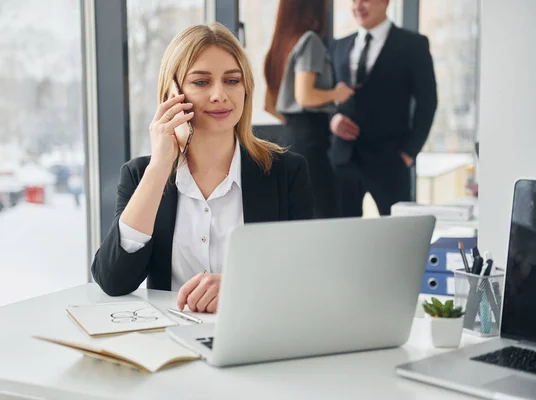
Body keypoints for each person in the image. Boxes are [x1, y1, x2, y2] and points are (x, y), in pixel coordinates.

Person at [91, 23, 315, 313]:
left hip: (257, 335)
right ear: (172, 93)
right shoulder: (140, 176)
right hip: (171, 342)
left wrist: (239, 284)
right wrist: (160, 165)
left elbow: (306, 273)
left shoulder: (286, 172)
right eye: (201, 82)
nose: (219, 94)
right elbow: (113, 280)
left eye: (232, 81)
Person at [329, 0, 437, 216]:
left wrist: (410, 151)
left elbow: (428, 101)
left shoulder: (413, 45)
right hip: (343, 160)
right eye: (353, 1)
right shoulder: (338, 46)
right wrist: (333, 119)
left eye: (365, 0)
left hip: (391, 160)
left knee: (398, 239)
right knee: (342, 240)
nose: (358, 6)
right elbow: (329, 95)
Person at [264, 0, 354, 219]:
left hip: (289, 137)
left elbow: (269, 105)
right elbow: (305, 96)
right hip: (311, 140)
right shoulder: (310, 41)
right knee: (326, 213)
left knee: (300, 213)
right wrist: (336, 94)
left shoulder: (281, 44)